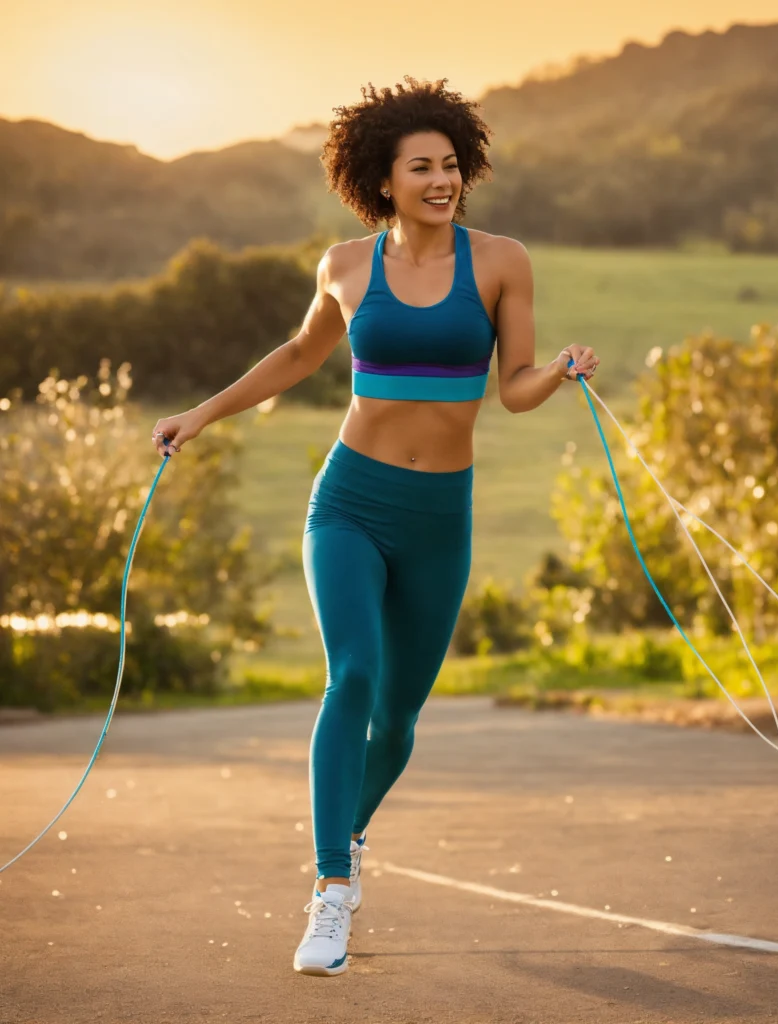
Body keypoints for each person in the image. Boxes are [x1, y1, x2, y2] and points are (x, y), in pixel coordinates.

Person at [150, 77, 599, 977]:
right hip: (350, 502)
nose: (441, 181)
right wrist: (199, 416)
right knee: (351, 673)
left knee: (396, 720)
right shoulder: (346, 267)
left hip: (441, 517)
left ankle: (348, 833)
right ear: (381, 180)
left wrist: (555, 371)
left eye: (450, 165)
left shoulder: (501, 260)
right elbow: (297, 356)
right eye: (420, 167)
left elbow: (510, 391)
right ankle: (329, 891)